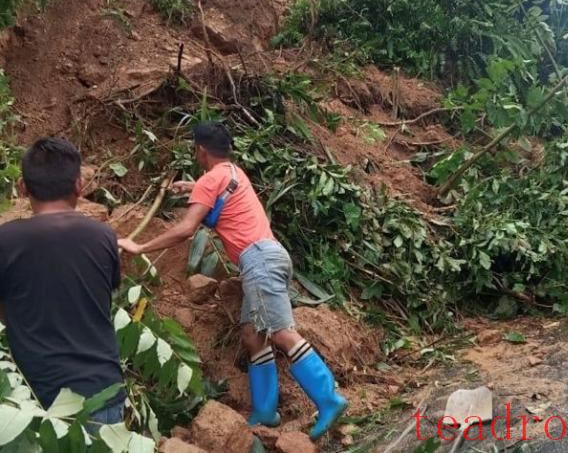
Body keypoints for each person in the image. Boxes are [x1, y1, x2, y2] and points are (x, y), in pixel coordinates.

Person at [118, 121, 348, 441]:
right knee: (252, 333)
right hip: (271, 255)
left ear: (200, 149)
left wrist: (140, 246)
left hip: (259, 260)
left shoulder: (210, 180)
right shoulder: (234, 173)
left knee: (281, 332)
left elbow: (187, 228)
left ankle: (328, 398)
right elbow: (217, 197)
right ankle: (266, 412)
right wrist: (192, 187)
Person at [0, 138, 124, 424]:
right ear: (79, 185)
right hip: (102, 395)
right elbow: (103, 298)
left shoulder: (6, 241)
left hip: (35, 402)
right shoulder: (103, 237)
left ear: (22, 188)